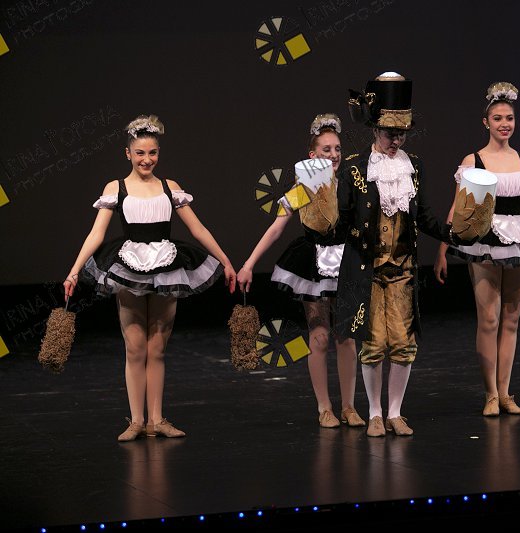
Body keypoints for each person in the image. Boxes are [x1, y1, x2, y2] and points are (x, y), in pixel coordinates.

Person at [64, 114, 236, 441]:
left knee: (157, 348)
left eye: (152, 152)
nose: (146, 159)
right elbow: (96, 234)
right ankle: (136, 421)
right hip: (129, 266)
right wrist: (74, 271)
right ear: (127, 153)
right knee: (135, 347)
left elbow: (197, 229)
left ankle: (157, 420)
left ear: (159, 153)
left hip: (167, 265)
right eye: (140, 153)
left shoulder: (170, 188)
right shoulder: (116, 188)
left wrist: (226, 261)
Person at [305, 72, 451, 437]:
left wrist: (457, 233)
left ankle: (395, 413)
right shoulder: (355, 167)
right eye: (389, 133)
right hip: (365, 270)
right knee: (372, 344)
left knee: (403, 343)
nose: (395, 140)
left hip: (402, 269)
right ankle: (373, 413)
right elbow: (339, 225)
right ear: (375, 130)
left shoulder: (413, 166)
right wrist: (317, 219)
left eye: (401, 134)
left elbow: (425, 217)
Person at [434, 82, 520, 417]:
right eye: (497, 118)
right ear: (486, 122)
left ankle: (505, 393)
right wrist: (443, 250)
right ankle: (490, 394)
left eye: (509, 118)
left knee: (511, 317)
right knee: (489, 318)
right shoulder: (474, 160)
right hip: (486, 238)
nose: (504, 123)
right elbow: (459, 208)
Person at [236, 114, 364, 429]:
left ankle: (349, 407)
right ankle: (324, 408)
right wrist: (249, 264)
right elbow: (276, 228)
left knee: (347, 338)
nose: (333, 155)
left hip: (345, 263)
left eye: (337, 149)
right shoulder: (303, 188)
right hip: (313, 266)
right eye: (326, 149)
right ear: (312, 155)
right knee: (319, 337)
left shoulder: (350, 184)